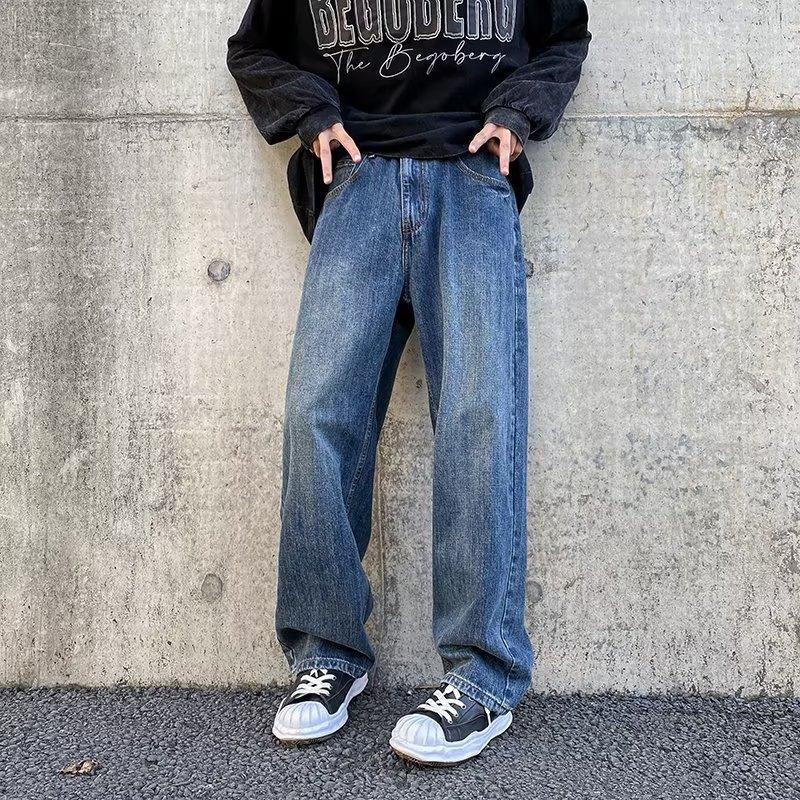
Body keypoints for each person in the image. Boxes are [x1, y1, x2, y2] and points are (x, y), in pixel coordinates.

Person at [227, 0, 590, 765]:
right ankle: (326, 652)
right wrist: (312, 115)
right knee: (318, 415)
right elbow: (256, 48)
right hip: (357, 179)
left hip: (470, 175)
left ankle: (483, 675)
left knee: (478, 418)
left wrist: (517, 112)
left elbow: (562, 34)